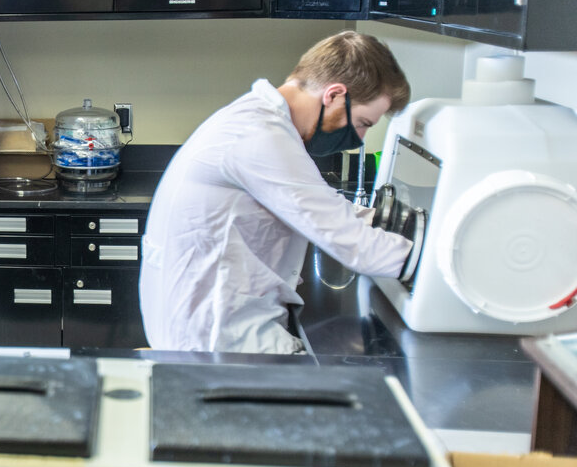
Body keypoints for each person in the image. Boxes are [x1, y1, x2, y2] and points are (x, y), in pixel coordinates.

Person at [140, 31, 416, 354]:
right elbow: (349, 240)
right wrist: (436, 263)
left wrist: (391, 223)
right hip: (213, 338)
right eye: (363, 123)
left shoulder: (264, 122)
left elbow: (318, 203)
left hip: (205, 321)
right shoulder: (260, 135)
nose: (359, 137)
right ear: (335, 95)